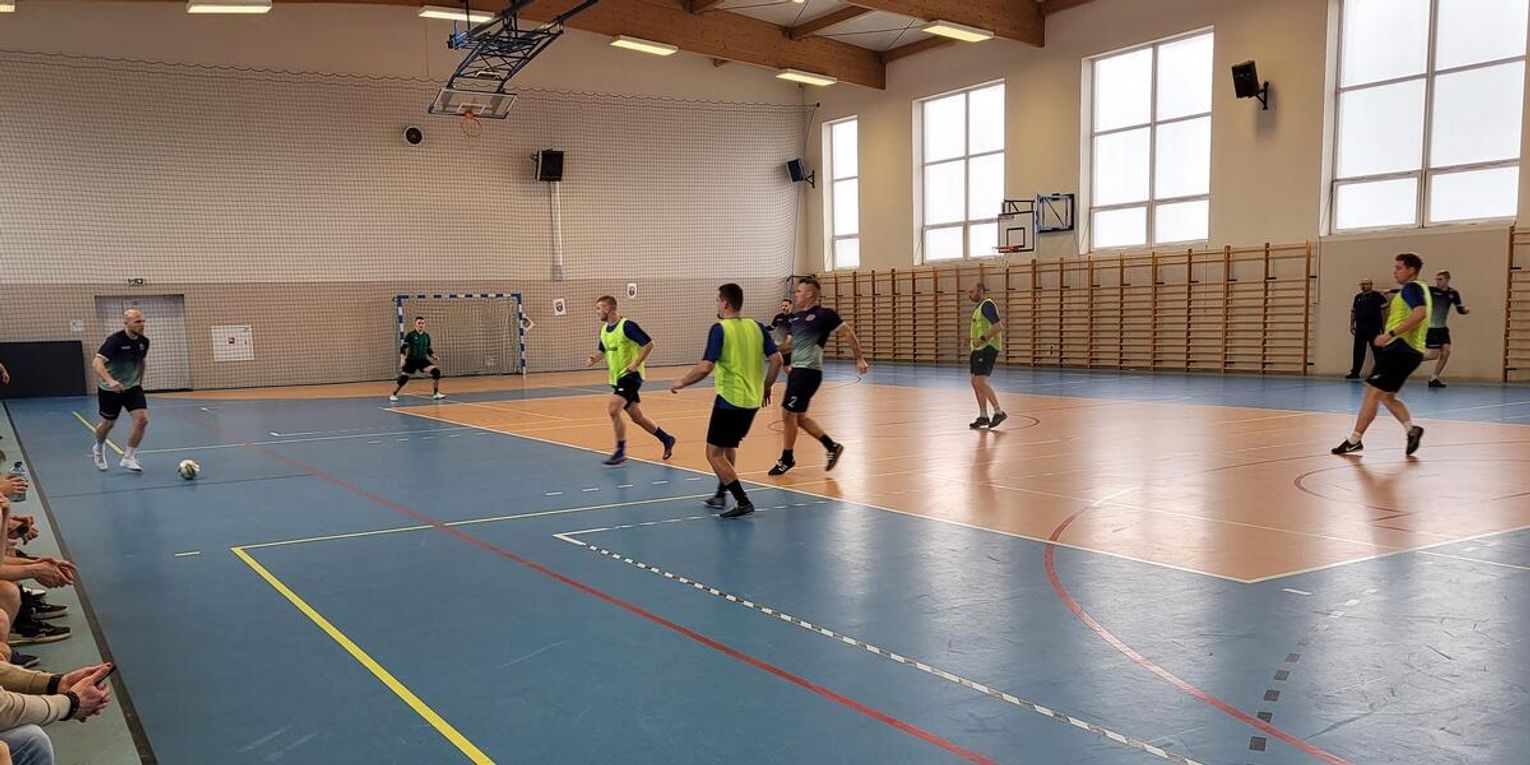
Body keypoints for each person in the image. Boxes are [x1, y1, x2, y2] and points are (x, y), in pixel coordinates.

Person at [670, 283, 782, 519]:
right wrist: (766, 386)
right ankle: (721, 494)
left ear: (726, 304)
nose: (717, 304)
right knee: (728, 445)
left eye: (718, 300)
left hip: (730, 400)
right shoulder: (756, 326)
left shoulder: (720, 329)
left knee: (713, 453)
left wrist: (682, 382)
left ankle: (743, 501)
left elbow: (705, 367)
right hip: (752, 400)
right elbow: (777, 360)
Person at [1333, 252, 1431, 457]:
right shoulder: (1421, 288)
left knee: (1372, 394)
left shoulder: (1412, 288)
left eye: (1399, 268)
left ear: (1411, 270)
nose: (1395, 271)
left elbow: (1420, 313)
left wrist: (1389, 335)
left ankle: (1354, 440)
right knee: (1387, 396)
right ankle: (1411, 430)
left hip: (1400, 348)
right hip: (1412, 351)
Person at [767, 277, 868, 476]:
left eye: (799, 291)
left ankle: (787, 458)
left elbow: (848, 333)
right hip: (797, 371)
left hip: (808, 371)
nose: (796, 294)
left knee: (788, 413)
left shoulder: (825, 314)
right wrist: (767, 348)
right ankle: (832, 446)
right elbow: (788, 345)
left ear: (810, 294)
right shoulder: (796, 318)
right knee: (799, 417)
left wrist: (859, 358)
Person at [585, 296, 676, 466]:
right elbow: (603, 350)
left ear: (608, 309)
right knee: (637, 417)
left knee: (613, 409)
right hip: (617, 378)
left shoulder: (627, 326)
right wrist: (594, 359)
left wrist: (636, 363)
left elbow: (649, 344)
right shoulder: (604, 330)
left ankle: (620, 451)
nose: (596, 312)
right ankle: (666, 439)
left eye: (599, 308)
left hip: (631, 376)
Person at [90, 310, 150, 472]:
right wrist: (110, 381)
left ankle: (128, 458)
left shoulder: (144, 342)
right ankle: (99, 447)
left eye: (143, 321)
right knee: (108, 424)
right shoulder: (114, 341)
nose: (142, 324)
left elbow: (142, 361)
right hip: (110, 390)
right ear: (126, 323)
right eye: (137, 322)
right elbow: (96, 363)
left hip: (132, 387)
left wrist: (139, 381)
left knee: (142, 420)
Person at [966, 283, 1008, 429]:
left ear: (981, 291)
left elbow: (998, 326)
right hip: (978, 349)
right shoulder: (979, 309)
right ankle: (983, 415)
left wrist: (982, 339)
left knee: (979, 382)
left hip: (987, 348)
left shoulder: (987, 306)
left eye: (972, 291)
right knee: (974, 382)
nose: (969, 295)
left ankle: (999, 411)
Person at [1425, 270, 1470, 388]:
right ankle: (1409, 360)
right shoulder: (1431, 291)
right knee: (1434, 355)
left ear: (1447, 280)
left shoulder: (1453, 293)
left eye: (1440, 279)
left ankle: (1434, 378)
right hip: (1432, 328)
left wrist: (1464, 311)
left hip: (1442, 329)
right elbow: (1412, 290)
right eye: (1436, 279)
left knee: (1446, 352)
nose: (1437, 282)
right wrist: (1391, 291)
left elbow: (1459, 309)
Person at [390, 317, 444, 402]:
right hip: (411, 361)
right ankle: (394, 394)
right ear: (415, 324)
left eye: (422, 323)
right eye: (419, 323)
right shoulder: (411, 335)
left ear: (424, 324)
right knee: (404, 379)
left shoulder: (426, 336)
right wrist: (402, 359)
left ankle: (436, 393)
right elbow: (403, 348)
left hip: (422, 361)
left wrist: (434, 356)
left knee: (436, 372)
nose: (421, 325)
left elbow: (428, 349)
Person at [1346, 277, 1387, 379]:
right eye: (1362, 284)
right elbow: (1353, 311)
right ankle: (1355, 372)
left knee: (1378, 351)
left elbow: (1383, 312)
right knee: (1358, 351)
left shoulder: (1378, 296)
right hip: (1360, 328)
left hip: (1374, 328)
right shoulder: (1358, 297)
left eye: (1365, 284)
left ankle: (1381, 372)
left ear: (1371, 285)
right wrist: (1352, 324)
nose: (1363, 286)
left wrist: (1384, 327)